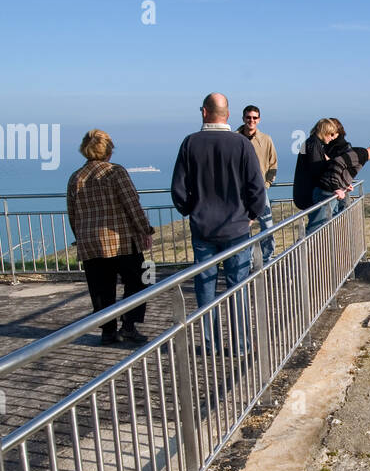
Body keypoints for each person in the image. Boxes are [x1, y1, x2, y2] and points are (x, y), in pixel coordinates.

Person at [171, 93, 267, 354]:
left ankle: (210, 345)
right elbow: (257, 188)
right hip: (236, 228)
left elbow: (178, 189)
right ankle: (240, 345)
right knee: (237, 286)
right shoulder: (241, 145)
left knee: (205, 287)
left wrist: (191, 210)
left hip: (203, 228)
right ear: (228, 114)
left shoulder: (190, 143)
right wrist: (251, 215)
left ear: (204, 112)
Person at [66, 129, 155, 346]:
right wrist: (146, 230)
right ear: (108, 150)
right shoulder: (115, 173)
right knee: (139, 281)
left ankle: (108, 331)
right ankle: (128, 325)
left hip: (91, 245)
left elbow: (73, 213)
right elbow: (132, 204)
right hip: (121, 242)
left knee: (101, 289)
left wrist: (81, 236)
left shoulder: (76, 177)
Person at [310, 135, 370, 233]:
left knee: (324, 227)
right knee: (316, 228)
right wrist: (337, 187)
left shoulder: (361, 154)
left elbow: (343, 166)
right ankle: (305, 248)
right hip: (327, 191)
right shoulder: (361, 155)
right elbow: (337, 163)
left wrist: (345, 184)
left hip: (329, 190)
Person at [236, 104, 278, 263]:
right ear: (243, 118)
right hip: (240, 192)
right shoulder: (235, 138)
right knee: (242, 227)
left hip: (260, 190)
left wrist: (266, 184)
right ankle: (246, 260)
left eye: (254, 118)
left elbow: (273, 164)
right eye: (248, 117)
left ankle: (266, 258)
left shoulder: (266, 140)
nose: (251, 120)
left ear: (259, 119)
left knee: (267, 225)